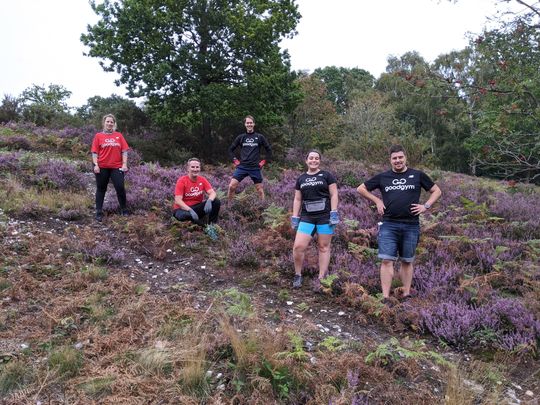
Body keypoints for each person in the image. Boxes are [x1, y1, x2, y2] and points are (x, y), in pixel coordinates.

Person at [357, 144, 442, 303]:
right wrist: (377, 200)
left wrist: (426, 206)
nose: (398, 160)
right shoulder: (383, 177)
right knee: (387, 260)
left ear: (405, 158)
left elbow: (437, 191)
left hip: (411, 225)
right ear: (390, 160)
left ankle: (406, 294)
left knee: (407, 261)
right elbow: (361, 188)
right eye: (394, 158)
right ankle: (385, 298)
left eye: (400, 157)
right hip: (389, 224)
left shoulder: (417, 175)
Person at [291, 150, 339, 291]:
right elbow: (298, 199)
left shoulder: (327, 175)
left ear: (319, 161)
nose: (314, 160)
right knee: (298, 247)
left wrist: (334, 212)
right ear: (306, 160)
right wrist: (295, 216)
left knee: (324, 247)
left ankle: (322, 278)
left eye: (316, 158)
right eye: (311, 158)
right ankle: (298, 274)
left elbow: (334, 194)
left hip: (325, 217)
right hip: (307, 217)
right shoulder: (301, 178)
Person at [91, 114, 129, 222]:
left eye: (111, 122)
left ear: (114, 124)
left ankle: (124, 209)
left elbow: (124, 151)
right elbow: (94, 152)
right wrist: (96, 165)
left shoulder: (119, 136)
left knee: (120, 187)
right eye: (107, 121)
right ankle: (98, 211)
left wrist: (124, 164)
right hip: (102, 167)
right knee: (101, 189)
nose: (109, 123)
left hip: (117, 167)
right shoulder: (98, 136)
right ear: (104, 123)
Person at [227, 115, 272, 201]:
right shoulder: (241, 137)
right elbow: (230, 150)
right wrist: (235, 161)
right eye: (247, 123)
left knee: (260, 190)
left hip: (255, 167)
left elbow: (269, 150)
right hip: (242, 167)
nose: (249, 124)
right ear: (245, 124)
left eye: (251, 123)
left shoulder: (259, 137)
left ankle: (262, 207)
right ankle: (229, 206)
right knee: (231, 186)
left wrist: (263, 162)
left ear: (254, 124)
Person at [173, 158, 221, 229]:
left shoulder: (202, 180)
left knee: (216, 201)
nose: (195, 169)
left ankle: (212, 225)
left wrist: (209, 200)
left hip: (196, 207)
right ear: (188, 168)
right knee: (185, 216)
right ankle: (204, 227)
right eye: (192, 167)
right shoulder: (182, 181)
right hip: (182, 209)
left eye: (197, 167)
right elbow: (178, 200)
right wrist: (189, 210)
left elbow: (212, 193)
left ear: (200, 168)